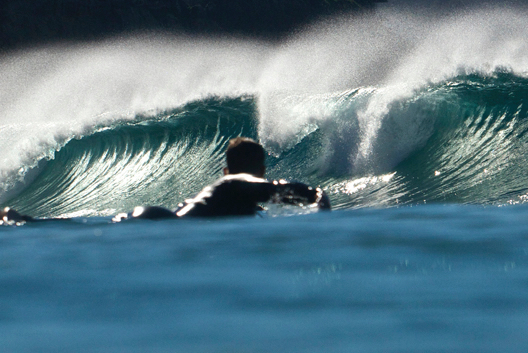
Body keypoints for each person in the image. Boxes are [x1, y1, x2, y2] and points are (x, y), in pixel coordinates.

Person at [2, 137, 329, 225]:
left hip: (156, 218)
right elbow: (276, 189)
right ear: (255, 167)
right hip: (160, 222)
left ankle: (18, 220)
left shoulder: (228, 188)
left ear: (225, 169)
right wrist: (316, 197)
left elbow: (271, 197)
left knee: (78, 227)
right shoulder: (238, 184)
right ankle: (17, 220)